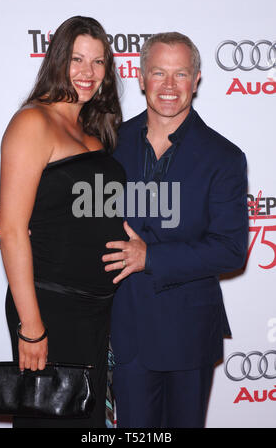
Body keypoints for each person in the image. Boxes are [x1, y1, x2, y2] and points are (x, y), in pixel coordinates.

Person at [102, 32, 249, 428]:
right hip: (125, 328)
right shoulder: (109, 144)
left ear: (196, 79)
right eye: (159, 73)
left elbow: (231, 249)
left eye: (180, 74)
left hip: (189, 331)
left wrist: (151, 257)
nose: (169, 86)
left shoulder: (224, 157)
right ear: (140, 77)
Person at [0, 15, 128, 428]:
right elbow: (12, 230)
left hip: (97, 312)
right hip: (50, 307)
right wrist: (32, 326)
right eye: (77, 59)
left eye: (98, 62)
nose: (88, 73)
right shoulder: (33, 122)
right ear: (57, 61)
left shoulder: (94, 132)